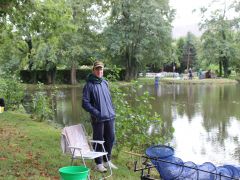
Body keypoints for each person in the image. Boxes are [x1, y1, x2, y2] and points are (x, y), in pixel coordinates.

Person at [82, 61, 117, 172]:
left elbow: (109, 99)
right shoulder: (89, 85)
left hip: (110, 116)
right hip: (98, 119)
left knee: (110, 139)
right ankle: (99, 163)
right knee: (98, 140)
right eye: (97, 69)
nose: (99, 71)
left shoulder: (104, 82)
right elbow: (85, 103)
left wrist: (112, 110)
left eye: (101, 69)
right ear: (93, 70)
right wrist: (97, 113)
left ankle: (107, 160)